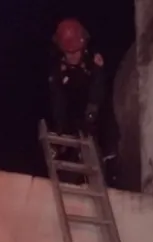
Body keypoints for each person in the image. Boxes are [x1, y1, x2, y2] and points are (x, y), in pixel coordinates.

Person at [48, 17, 119, 187]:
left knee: (107, 139)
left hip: (98, 113)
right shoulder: (58, 72)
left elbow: (99, 86)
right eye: (69, 52)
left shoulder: (94, 61)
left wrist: (92, 111)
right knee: (70, 147)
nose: (73, 56)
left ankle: (111, 170)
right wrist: (61, 129)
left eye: (76, 51)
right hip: (75, 117)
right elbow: (58, 102)